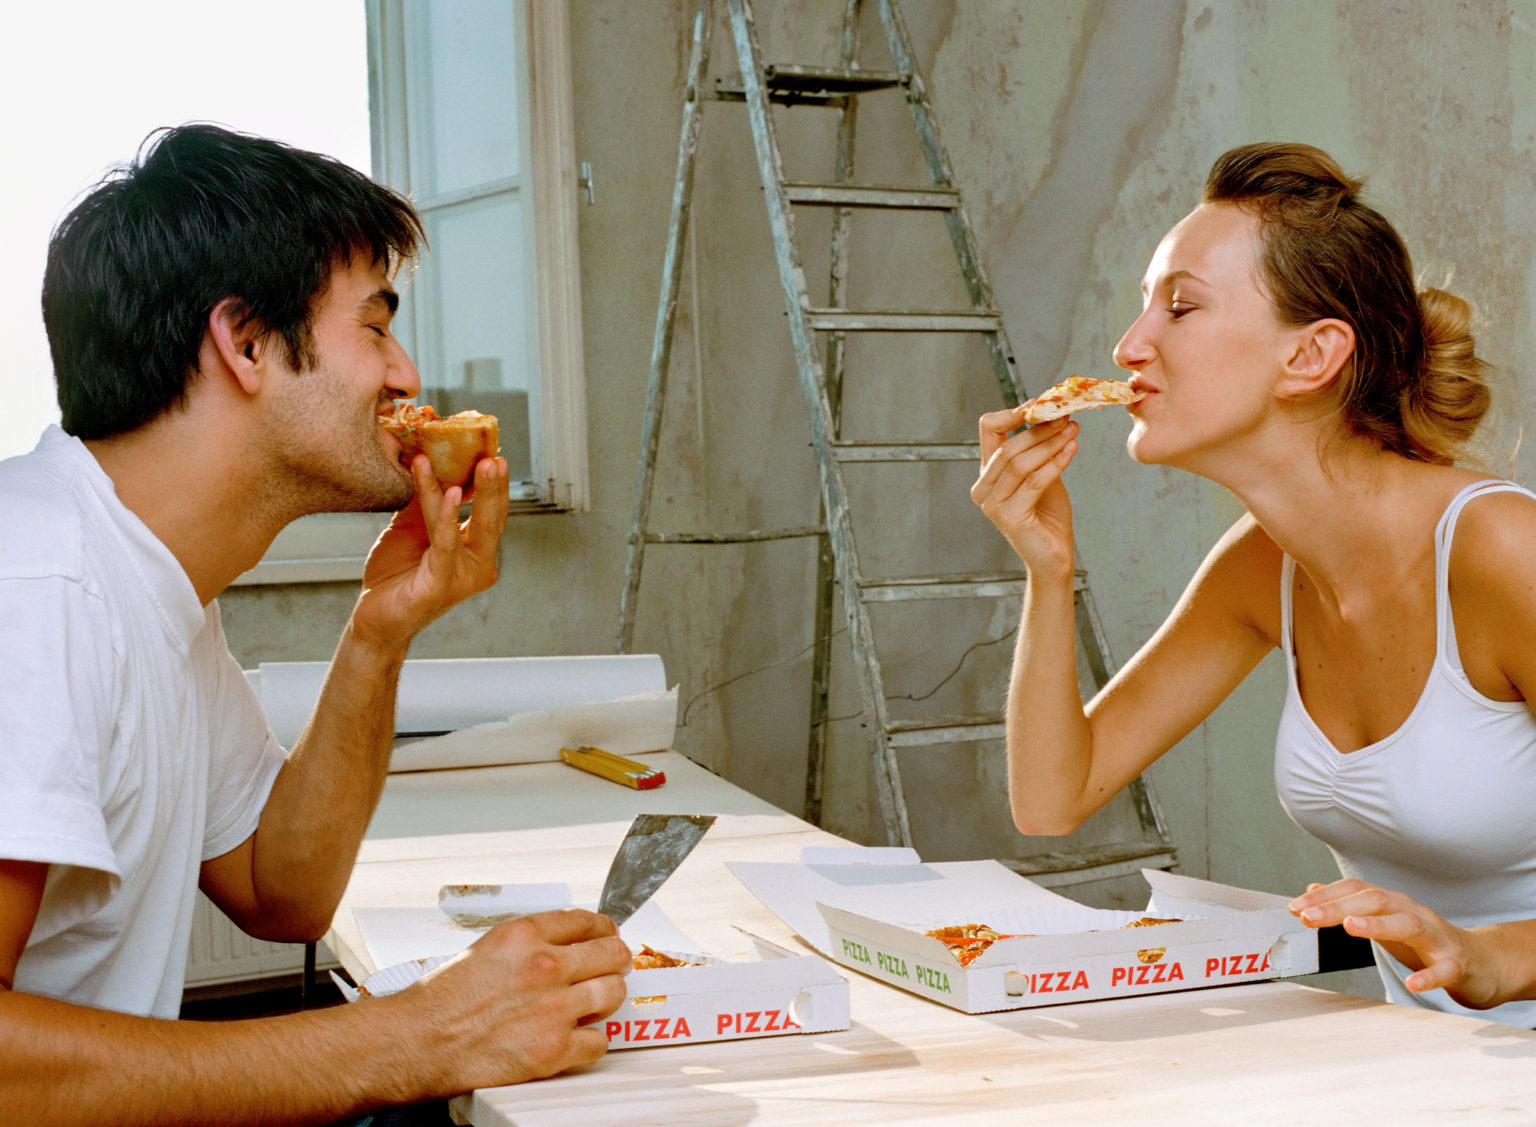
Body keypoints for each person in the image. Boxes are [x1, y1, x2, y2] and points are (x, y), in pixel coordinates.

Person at [0, 124, 631, 1124]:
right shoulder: (37, 588)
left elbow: (279, 888)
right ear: (246, 342)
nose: (405, 374)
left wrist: (382, 629)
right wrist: (418, 1035)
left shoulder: (150, 582)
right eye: (374, 327)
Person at [972, 141, 1536, 1028]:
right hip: (1439, 1068)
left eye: (1180, 307)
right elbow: (1051, 797)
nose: (1129, 345)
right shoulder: (1262, 565)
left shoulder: (1502, 550)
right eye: (1143, 305)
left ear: (1310, 356)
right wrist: (1048, 571)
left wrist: (1490, 958)